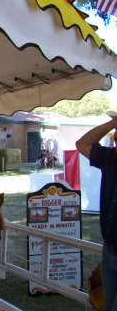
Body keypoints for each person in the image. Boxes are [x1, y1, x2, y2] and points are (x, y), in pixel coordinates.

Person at [76, 118, 117, 311]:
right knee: (107, 305)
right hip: (109, 250)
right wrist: (111, 123)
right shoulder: (110, 158)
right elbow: (82, 144)